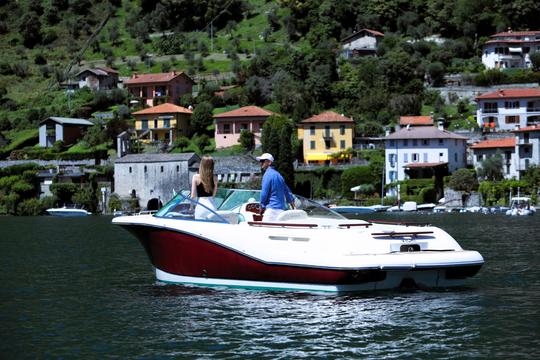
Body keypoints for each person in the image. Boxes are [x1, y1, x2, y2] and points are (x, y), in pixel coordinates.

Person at [256, 153, 295, 221]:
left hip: (271, 211)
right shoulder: (279, 175)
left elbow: (264, 193)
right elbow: (287, 192)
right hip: (281, 211)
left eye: (263, 161)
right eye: (260, 161)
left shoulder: (267, 175)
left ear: (269, 162)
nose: (261, 163)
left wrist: (261, 207)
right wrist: (292, 204)